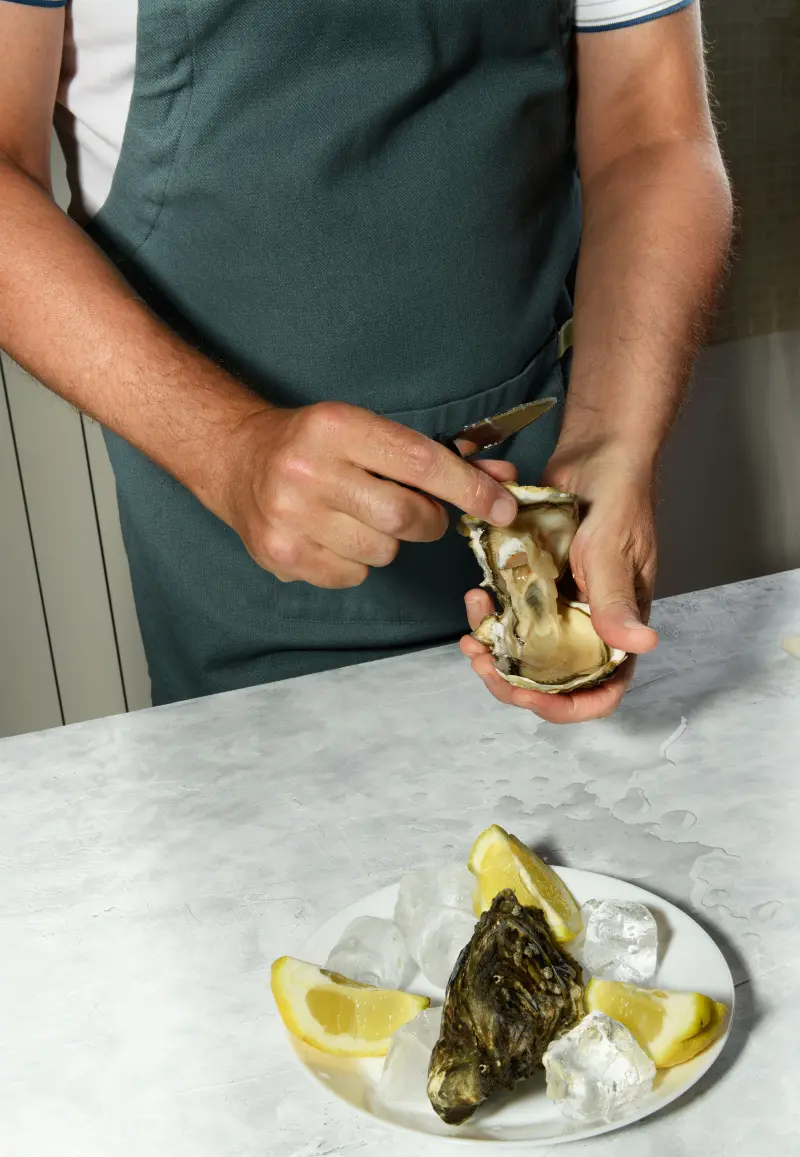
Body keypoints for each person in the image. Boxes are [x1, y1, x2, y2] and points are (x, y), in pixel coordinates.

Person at [0, 0, 732, 723]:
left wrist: (613, 443)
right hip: (227, 540)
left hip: (545, 483)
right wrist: (224, 445)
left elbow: (652, 135)